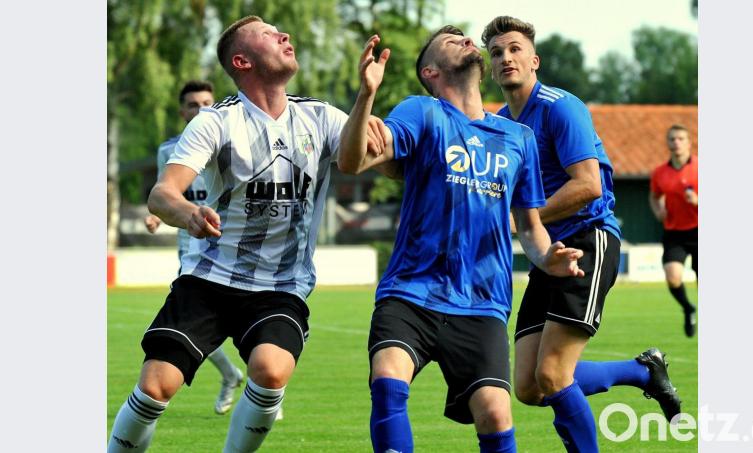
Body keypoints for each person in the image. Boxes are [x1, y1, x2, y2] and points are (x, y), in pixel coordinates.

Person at [107, 16, 383, 452]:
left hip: (281, 284)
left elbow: (350, 163)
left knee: (271, 372)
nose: (285, 36)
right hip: (210, 278)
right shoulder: (215, 122)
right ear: (242, 60)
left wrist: (366, 95)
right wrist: (189, 213)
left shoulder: (319, 116)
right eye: (270, 35)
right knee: (156, 387)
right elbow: (162, 194)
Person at [338, 27, 586, 453]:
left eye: (466, 38)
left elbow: (528, 225)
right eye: (451, 42)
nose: (466, 41)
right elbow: (351, 160)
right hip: (411, 290)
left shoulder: (518, 138)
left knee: (495, 412)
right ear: (431, 71)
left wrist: (548, 257)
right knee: (387, 378)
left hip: (482, 300)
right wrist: (366, 95)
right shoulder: (422, 111)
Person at [482, 16, 682, 452]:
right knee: (530, 386)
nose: (505, 58)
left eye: (515, 49)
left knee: (553, 375)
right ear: (490, 67)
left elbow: (588, 184)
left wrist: (521, 221)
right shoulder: (499, 124)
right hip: (548, 252)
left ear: (534, 60)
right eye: (496, 52)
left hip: (587, 240)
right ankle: (642, 371)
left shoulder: (560, 106)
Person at [142, 80, 253, 418]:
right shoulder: (169, 150)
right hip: (190, 249)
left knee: (248, 315)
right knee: (192, 321)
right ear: (182, 112)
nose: (201, 109)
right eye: (193, 104)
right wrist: (155, 216)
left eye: (207, 102)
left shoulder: (234, 144)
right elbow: (167, 192)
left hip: (232, 245)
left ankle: (261, 389)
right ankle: (233, 376)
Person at [649, 124, 698, 337]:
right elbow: (653, 195)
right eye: (672, 139)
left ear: (689, 142)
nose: (676, 142)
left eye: (680, 138)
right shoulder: (660, 173)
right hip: (674, 233)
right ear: (668, 143)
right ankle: (688, 308)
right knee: (673, 278)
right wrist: (658, 209)